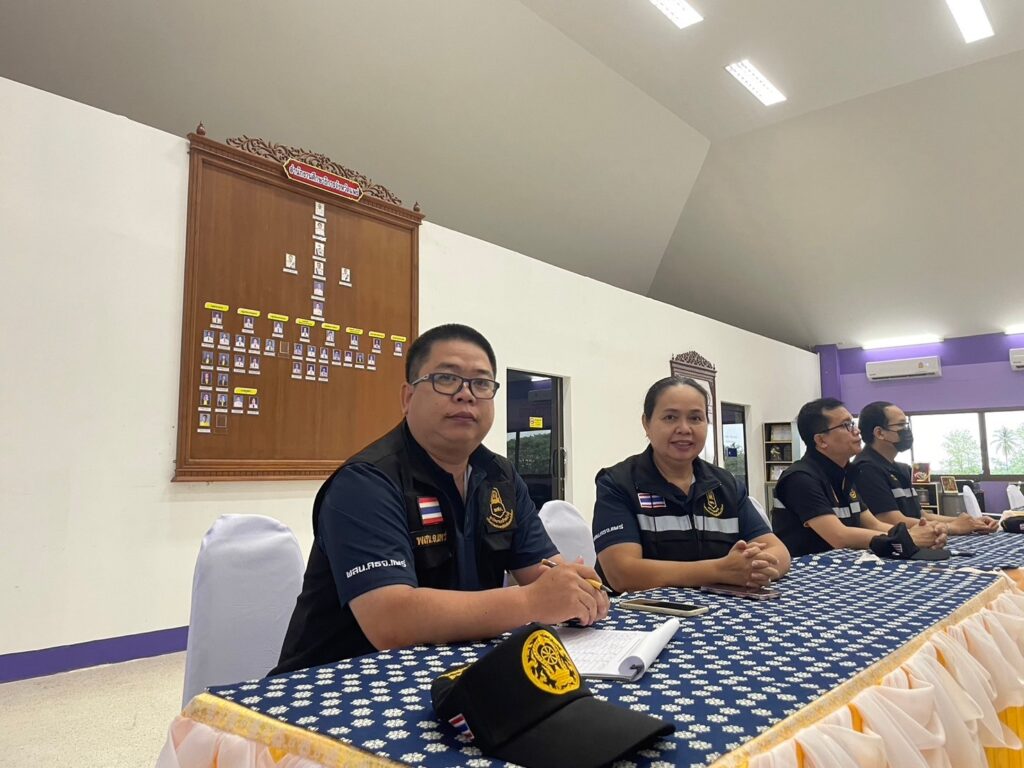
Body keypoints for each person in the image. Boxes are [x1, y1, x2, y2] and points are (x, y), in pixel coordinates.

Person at [274, 324, 609, 674]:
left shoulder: (500, 476)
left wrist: (575, 590)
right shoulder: (366, 482)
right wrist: (531, 601)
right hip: (333, 682)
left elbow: (542, 571)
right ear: (407, 397)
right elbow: (390, 618)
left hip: (454, 675)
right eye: (446, 379)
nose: (466, 395)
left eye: (481, 383)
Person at [592, 377, 790, 593]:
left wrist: (755, 568)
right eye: (670, 417)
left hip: (723, 608)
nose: (684, 429)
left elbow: (778, 551)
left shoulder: (725, 484)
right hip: (640, 611)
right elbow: (623, 574)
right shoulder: (617, 483)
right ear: (646, 423)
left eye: (695, 418)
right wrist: (719, 571)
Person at [772, 398, 946, 557]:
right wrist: (907, 538)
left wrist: (920, 532)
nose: (857, 431)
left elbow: (873, 524)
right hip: (808, 573)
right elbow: (839, 536)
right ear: (821, 440)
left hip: (846, 564)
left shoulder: (846, 474)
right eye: (846, 425)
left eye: (853, 423)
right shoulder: (800, 478)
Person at [850, 401, 997, 535]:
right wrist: (952, 527)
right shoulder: (866, 469)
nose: (906, 430)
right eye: (901, 425)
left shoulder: (902, 469)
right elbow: (892, 520)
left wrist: (970, 522)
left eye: (906, 424)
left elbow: (921, 516)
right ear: (879, 433)